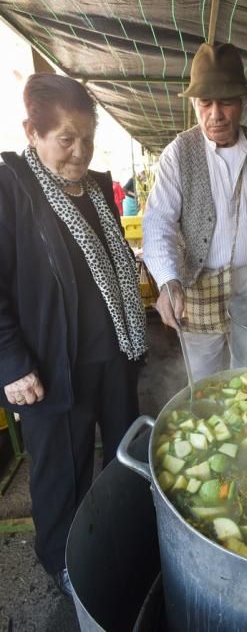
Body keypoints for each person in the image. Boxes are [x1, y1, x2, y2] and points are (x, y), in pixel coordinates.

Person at [0, 73, 147, 596]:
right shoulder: (11, 188)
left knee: (124, 454)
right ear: (32, 132)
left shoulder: (99, 189)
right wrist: (10, 362)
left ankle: (116, 535)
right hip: (51, 364)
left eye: (87, 138)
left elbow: (106, 267)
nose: (79, 151)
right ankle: (64, 562)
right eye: (66, 139)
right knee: (62, 468)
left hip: (114, 354)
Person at [143, 42, 247, 380]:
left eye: (226, 102)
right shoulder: (178, 155)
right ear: (195, 104)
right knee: (205, 378)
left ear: (244, 101)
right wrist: (168, 280)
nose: (216, 114)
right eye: (205, 103)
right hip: (199, 285)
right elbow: (159, 224)